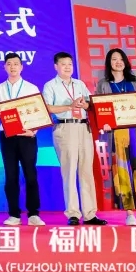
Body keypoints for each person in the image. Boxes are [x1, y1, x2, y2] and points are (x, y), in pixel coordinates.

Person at [43, 51, 106, 227]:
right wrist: (69, 106)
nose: (67, 67)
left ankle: (90, 214)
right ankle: (73, 213)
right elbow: (47, 107)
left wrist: (84, 104)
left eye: (70, 64)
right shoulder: (50, 85)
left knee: (86, 171)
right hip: (65, 127)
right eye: (63, 64)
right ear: (56, 67)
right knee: (69, 172)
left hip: (83, 127)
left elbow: (90, 104)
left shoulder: (80, 84)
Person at [95, 48, 136, 226]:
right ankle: (129, 213)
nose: (118, 62)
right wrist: (104, 123)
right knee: (121, 170)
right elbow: (100, 108)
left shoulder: (134, 81)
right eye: (114, 59)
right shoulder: (103, 84)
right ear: (109, 63)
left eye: (121, 59)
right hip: (116, 132)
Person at [0, 52, 44, 227]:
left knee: (30, 174)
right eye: (9, 64)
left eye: (16, 64)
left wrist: (33, 131)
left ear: (21, 67)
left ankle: (33, 213)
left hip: (27, 136)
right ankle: (14, 214)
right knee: (10, 174)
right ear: (4, 67)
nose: (12, 67)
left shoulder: (31, 88)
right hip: (7, 136)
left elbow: (39, 112)